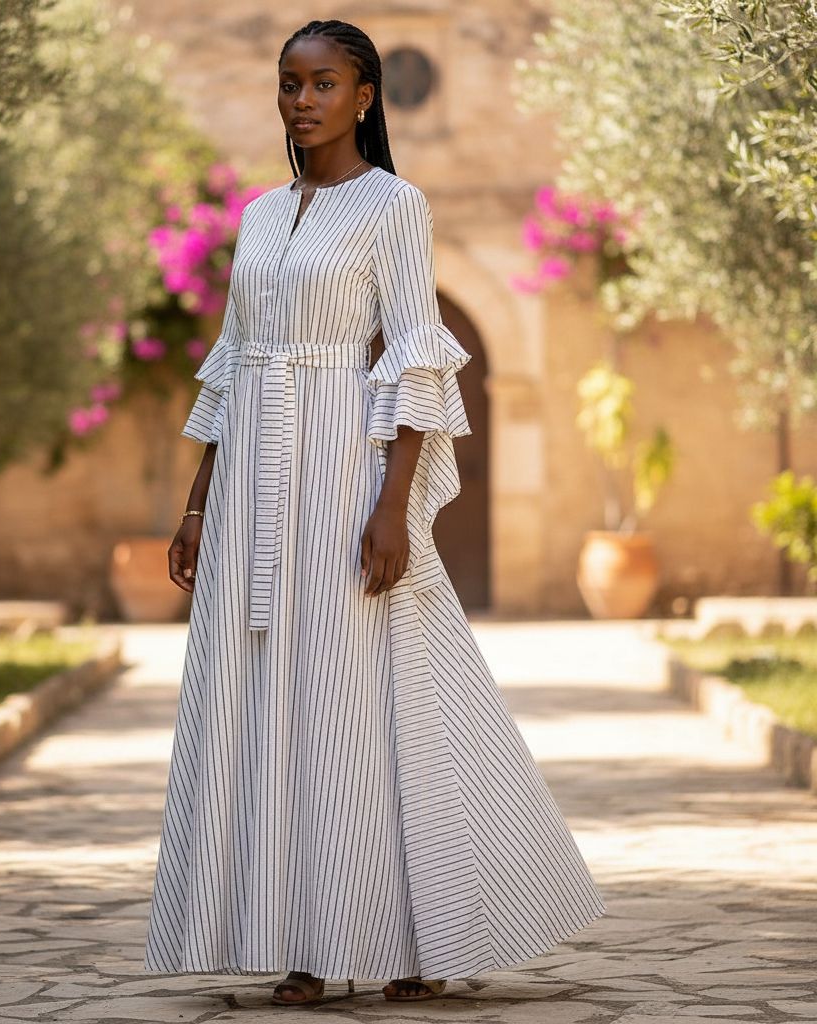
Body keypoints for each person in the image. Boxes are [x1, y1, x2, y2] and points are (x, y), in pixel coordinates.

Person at [143, 17, 607, 1007]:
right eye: (288, 83)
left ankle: (405, 936)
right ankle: (305, 942)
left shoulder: (395, 207)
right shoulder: (263, 217)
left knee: (359, 702)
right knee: (274, 702)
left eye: (321, 83)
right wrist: (195, 503)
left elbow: (411, 356)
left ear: (363, 95)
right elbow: (231, 366)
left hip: (343, 480)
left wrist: (392, 506)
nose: (300, 100)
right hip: (252, 492)